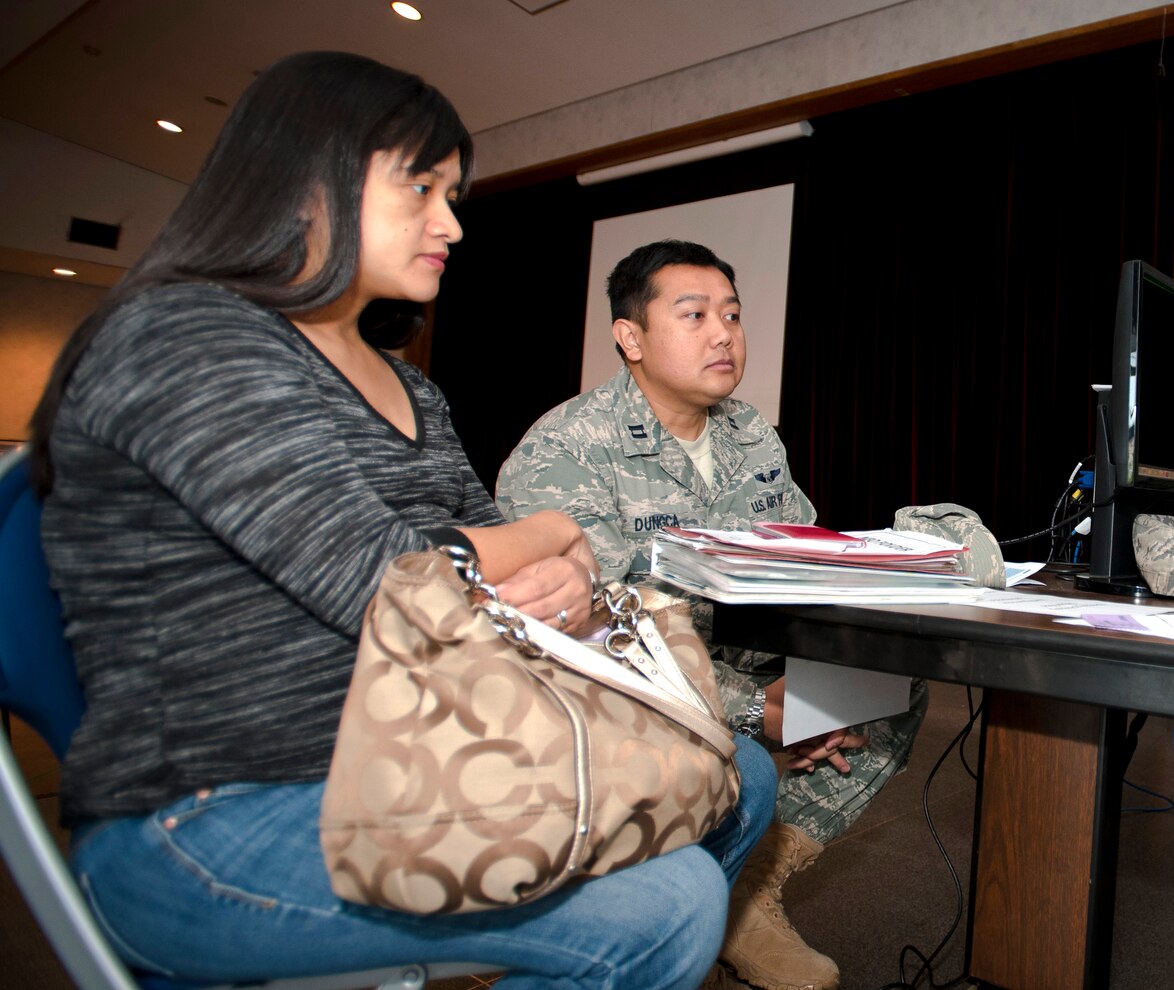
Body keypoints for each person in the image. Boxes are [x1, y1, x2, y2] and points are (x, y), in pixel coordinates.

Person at [28, 52, 774, 990]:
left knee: (737, 776)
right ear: (304, 180)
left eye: (452, 193)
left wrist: (562, 575)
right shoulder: (187, 335)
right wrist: (552, 536)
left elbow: (475, 567)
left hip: (424, 746)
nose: (451, 222)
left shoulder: (413, 389)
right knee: (668, 906)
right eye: (420, 187)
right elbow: (389, 579)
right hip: (216, 814)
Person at [497, 239, 927, 990]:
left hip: (740, 660)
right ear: (630, 338)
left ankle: (748, 886)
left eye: (731, 314)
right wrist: (754, 708)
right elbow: (588, 635)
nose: (723, 333)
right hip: (617, 692)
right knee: (744, 752)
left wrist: (818, 679)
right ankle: (666, 906)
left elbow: (800, 563)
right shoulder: (566, 450)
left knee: (899, 673)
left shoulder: (750, 433)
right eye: (693, 315)